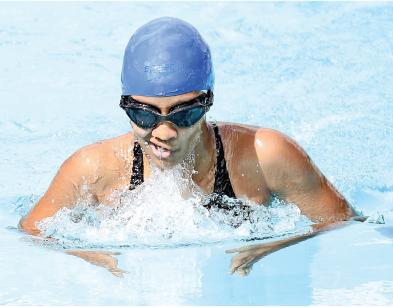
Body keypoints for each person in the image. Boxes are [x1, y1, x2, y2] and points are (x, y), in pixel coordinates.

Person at [19, 17, 357, 275]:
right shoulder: (93, 168)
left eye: (184, 113)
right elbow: (33, 235)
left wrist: (274, 246)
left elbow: (342, 224)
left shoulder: (264, 155)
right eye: (144, 114)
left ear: (208, 103)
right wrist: (87, 255)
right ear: (125, 105)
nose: (164, 133)